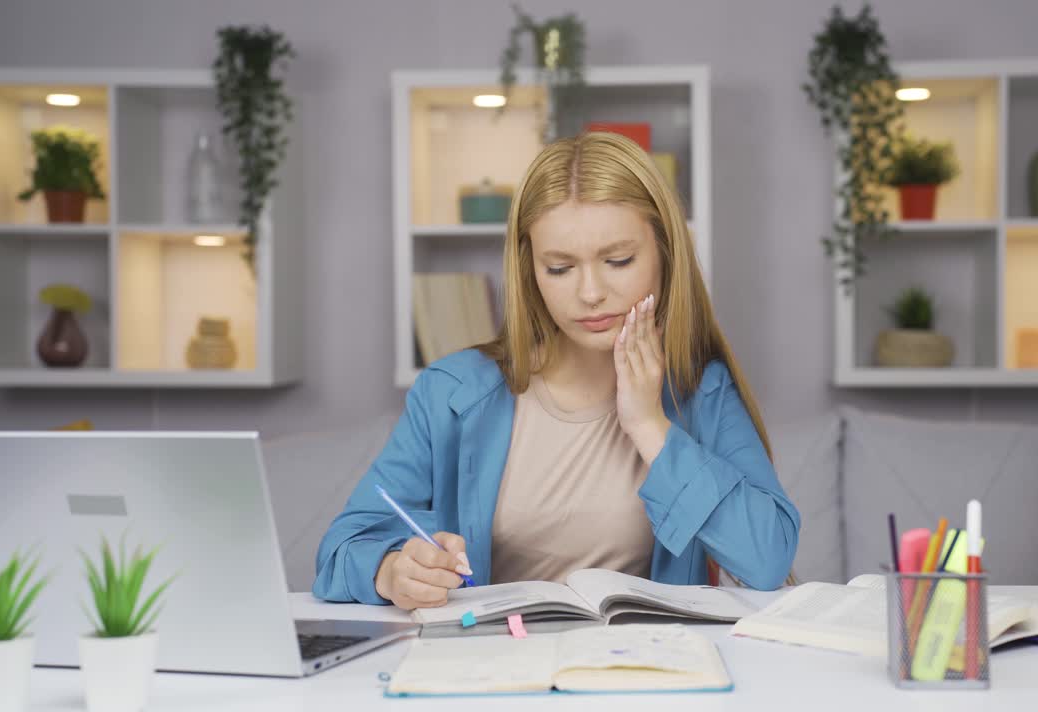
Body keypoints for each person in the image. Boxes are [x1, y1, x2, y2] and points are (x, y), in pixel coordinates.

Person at [314, 132, 799, 609]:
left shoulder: (702, 390)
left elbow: (768, 560)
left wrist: (650, 425)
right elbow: (340, 551)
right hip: (491, 656)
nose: (590, 293)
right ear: (530, 270)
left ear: (665, 255)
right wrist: (391, 571)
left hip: (641, 657)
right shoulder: (450, 391)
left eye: (618, 260)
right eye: (560, 268)